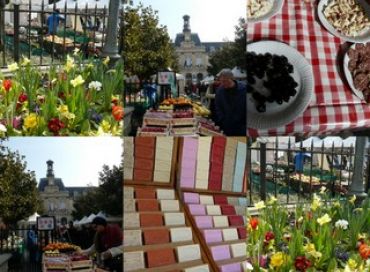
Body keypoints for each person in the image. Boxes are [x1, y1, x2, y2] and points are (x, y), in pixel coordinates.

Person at [214, 69, 246, 136]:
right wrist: (222, 120)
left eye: (225, 81)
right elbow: (217, 107)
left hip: (242, 127)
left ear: (232, 79)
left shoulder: (244, 89)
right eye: (221, 81)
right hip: (227, 127)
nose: (223, 83)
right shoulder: (219, 91)